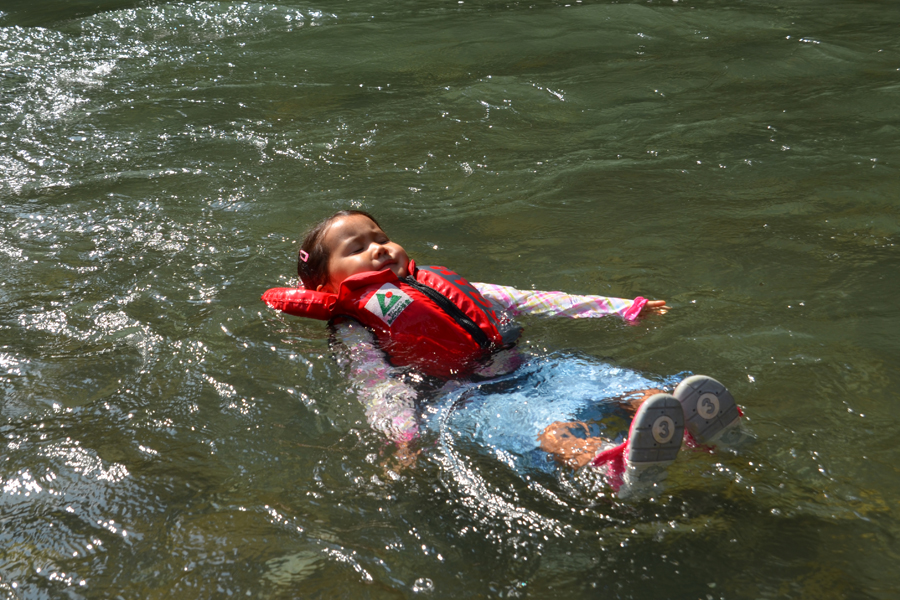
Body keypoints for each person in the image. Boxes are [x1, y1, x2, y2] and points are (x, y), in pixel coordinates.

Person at [262, 210, 743, 494]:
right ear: (325, 284)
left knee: (610, 383)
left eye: (381, 237)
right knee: (549, 429)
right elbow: (376, 385)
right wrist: (403, 433)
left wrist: (622, 308)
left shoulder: (438, 284)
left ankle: (684, 419)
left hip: (523, 368)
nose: (379, 249)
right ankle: (615, 466)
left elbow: (532, 299)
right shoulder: (354, 328)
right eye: (357, 247)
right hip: (459, 397)